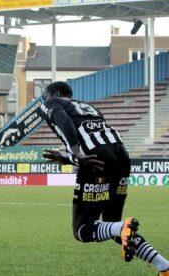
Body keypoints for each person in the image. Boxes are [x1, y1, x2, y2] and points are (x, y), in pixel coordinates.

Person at [38, 81, 169, 275]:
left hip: (96, 158)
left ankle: (123, 228)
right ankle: (164, 267)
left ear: (56, 93)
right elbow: (98, 141)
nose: (43, 100)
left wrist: (74, 151)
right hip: (122, 157)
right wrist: (69, 159)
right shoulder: (90, 108)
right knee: (113, 226)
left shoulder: (52, 103)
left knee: (82, 230)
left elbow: (62, 119)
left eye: (45, 96)